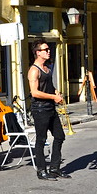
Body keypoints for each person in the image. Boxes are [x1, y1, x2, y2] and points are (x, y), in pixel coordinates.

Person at [28, 39, 70, 180]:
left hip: (50, 108)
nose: (48, 51)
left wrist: (56, 92)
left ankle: (54, 168)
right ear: (38, 52)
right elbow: (34, 92)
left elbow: (49, 86)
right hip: (40, 109)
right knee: (41, 139)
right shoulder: (34, 71)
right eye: (45, 50)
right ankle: (41, 170)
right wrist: (53, 97)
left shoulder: (47, 68)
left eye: (48, 49)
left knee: (59, 136)